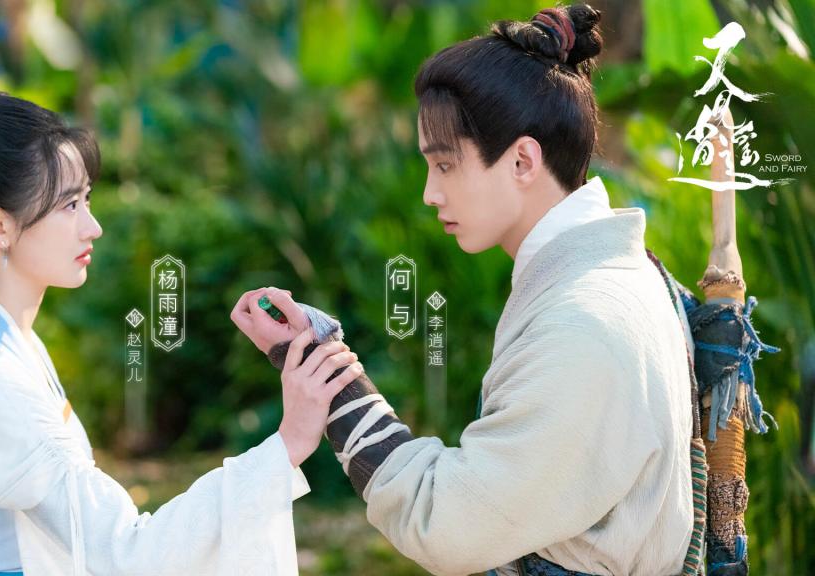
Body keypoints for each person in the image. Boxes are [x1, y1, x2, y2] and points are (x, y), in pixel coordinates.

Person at [234, 5, 697, 575]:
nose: (430, 193)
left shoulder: (582, 323)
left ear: (522, 160)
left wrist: (335, 379)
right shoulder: (616, 278)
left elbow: (448, 523)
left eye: (446, 165)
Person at [0, 88, 360, 576]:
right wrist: (287, 445)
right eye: (69, 205)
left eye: (86, 199)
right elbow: (130, 555)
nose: (92, 227)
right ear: (0, 227)